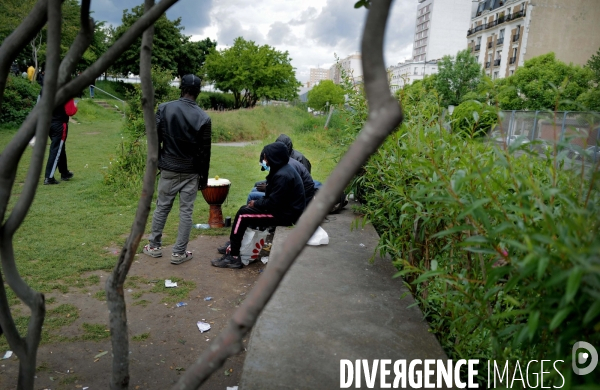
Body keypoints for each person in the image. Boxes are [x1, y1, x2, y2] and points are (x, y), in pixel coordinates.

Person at [143, 74, 212, 265]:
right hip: (191, 171)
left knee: (162, 207)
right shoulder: (204, 118)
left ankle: (154, 247)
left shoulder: (164, 109)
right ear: (198, 92)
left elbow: (154, 140)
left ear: (181, 89)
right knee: (186, 212)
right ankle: (178, 253)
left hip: (169, 168)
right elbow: (205, 153)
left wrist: (156, 163)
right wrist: (203, 179)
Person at [212, 142, 306, 269]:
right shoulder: (282, 170)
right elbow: (274, 198)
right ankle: (233, 246)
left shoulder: (283, 175)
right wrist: (257, 203)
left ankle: (233, 256)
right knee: (244, 210)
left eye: (266, 157)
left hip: (285, 215)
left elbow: (273, 203)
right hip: (283, 209)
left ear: (274, 158)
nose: (264, 160)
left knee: (243, 215)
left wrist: (256, 203)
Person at [247, 147, 316, 204]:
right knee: (255, 189)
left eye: (266, 159)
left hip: (296, 201)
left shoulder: (285, 171)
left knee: (252, 196)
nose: (265, 162)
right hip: (293, 197)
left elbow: (280, 195)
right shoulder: (284, 165)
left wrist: (256, 203)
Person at [43, 97, 77, 185]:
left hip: (48, 122)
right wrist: (75, 106)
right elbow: (70, 111)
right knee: (57, 149)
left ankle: (64, 172)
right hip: (59, 124)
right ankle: (49, 177)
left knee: (60, 148)